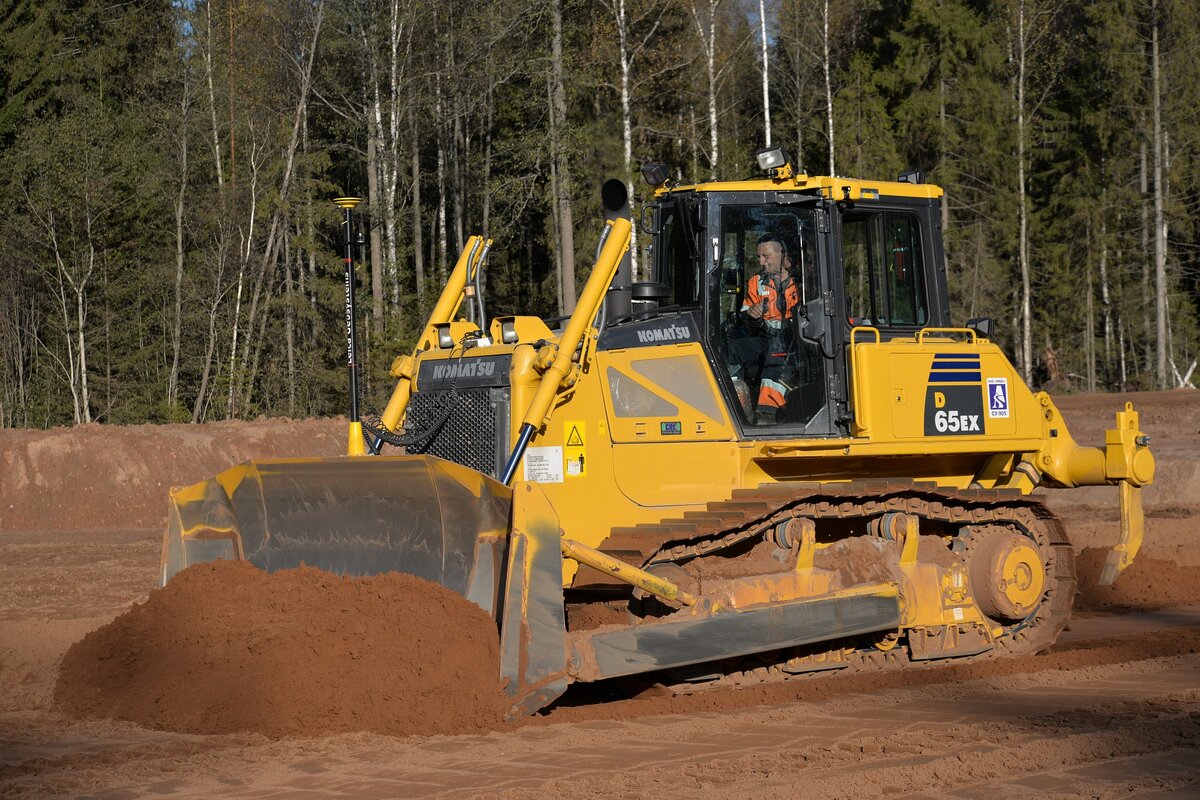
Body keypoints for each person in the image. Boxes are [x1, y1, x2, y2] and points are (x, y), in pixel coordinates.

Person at [728, 235, 800, 423]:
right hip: (764, 337)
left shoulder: (802, 282)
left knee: (774, 356)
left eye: (765, 256)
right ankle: (734, 403)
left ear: (782, 254)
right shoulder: (756, 282)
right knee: (732, 348)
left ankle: (768, 415)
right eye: (759, 256)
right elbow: (745, 321)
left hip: (796, 339)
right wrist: (752, 317)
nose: (761, 261)